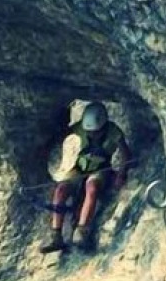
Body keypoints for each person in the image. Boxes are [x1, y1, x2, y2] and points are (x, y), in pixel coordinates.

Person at [41, 100, 131, 254]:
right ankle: (56, 235)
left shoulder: (114, 132)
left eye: (96, 132)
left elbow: (125, 154)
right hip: (80, 168)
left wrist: (120, 175)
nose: (92, 134)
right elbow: (62, 134)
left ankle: (82, 232)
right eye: (89, 132)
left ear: (104, 126)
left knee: (92, 189)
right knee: (61, 189)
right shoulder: (80, 128)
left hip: (100, 169)